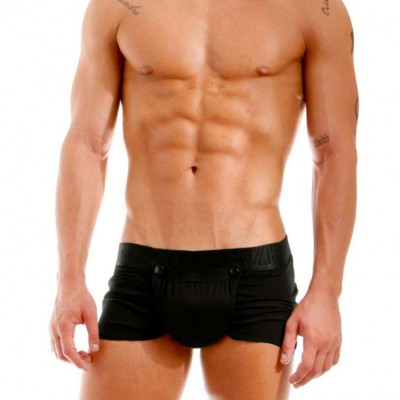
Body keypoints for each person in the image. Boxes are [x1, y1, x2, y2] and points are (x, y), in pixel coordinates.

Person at [48, 0, 358, 398]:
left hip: (254, 275)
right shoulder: (118, 5)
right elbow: (87, 144)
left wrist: (327, 291)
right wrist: (69, 279)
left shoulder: (313, 8)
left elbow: (334, 153)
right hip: (143, 270)